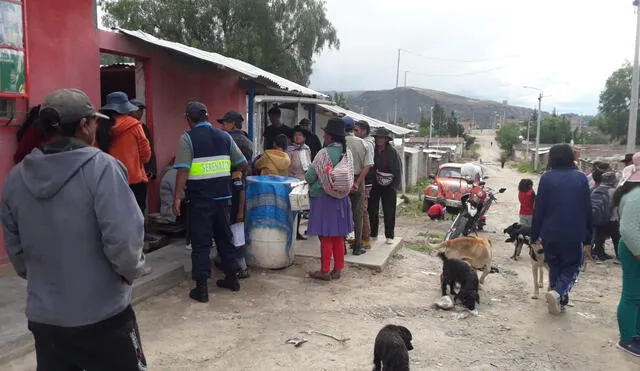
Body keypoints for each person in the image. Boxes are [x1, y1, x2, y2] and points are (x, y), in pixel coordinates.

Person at [0, 88, 147, 370]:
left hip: (46, 319)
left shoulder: (16, 178)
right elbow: (125, 241)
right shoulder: (102, 169)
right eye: (94, 121)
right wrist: (130, 272)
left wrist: (46, 281)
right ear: (83, 125)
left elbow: (17, 252)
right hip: (103, 315)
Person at [173, 102, 247, 302]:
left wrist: (177, 198)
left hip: (199, 201)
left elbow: (182, 170)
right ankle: (232, 278)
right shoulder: (224, 137)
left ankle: (202, 288)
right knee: (225, 238)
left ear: (189, 119)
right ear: (206, 117)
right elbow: (242, 163)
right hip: (224, 199)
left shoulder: (187, 138)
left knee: (201, 243)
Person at [531, 144, 592, 315]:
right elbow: (588, 209)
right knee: (573, 266)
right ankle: (557, 293)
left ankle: (559, 299)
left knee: (555, 265)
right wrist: (588, 237)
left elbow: (539, 209)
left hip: (549, 233)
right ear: (571, 157)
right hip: (574, 233)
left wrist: (534, 234)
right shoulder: (581, 178)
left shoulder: (546, 178)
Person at [305, 118, 354, 280]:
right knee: (338, 236)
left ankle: (324, 270)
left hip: (323, 199)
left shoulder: (323, 154)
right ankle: (338, 269)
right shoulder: (347, 153)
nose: (324, 136)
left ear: (330, 137)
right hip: (341, 200)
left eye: (325, 134)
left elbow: (310, 177)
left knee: (325, 236)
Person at [97, 92, 151, 218]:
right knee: (136, 213)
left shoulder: (99, 125)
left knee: (115, 214)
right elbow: (146, 153)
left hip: (109, 178)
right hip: (134, 178)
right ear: (125, 108)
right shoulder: (134, 125)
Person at [613, 167, 640, 356]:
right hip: (633, 251)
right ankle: (627, 340)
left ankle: (636, 334)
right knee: (632, 295)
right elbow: (628, 230)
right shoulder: (636, 197)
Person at [344, 116, 373, 255]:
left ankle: (340, 245)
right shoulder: (363, 143)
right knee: (358, 213)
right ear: (353, 128)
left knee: (341, 213)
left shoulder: (338, 143)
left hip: (341, 178)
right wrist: (357, 182)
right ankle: (357, 246)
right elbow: (367, 165)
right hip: (358, 179)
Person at [369, 128, 402, 245]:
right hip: (375, 184)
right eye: (378, 137)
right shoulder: (372, 150)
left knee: (389, 210)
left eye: (382, 138)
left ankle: (389, 235)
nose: (379, 140)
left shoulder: (392, 152)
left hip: (389, 185)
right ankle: (373, 233)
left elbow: (398, 170)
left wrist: (394, 186)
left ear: (386, 140)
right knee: (372, 209)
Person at [287, 125, 312, 240]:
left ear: (304, 137)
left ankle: (297, 232)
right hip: (292, 180)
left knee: (300, 208)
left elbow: (309, 163)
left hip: (304, 180)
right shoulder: (290, 150)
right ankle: (291, 231)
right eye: (295, 135)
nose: (297, 137)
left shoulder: (307, 149)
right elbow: (287, 166)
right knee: (292, 207)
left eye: (300, 135)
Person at [355, 120, 375, 249]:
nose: (354, 133)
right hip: (364, 180)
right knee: (361, 209)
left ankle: (366, 238)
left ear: (363, 131)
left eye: (356, 130)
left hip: (366, 180)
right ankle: (361, 237)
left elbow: (368, 164)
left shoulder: (367, 144)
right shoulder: (364, 142)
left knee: (363, 209)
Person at [592, 171, 620, 261]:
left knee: (600, 238)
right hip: (612, 219)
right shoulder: (614, 191)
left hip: (600, 218)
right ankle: (619, 256)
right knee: (616, 238)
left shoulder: (596, 189)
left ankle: (600, 254)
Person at [130, 99, 158, 181]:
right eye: (137, 109)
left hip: (141, 170)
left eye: (141, 110)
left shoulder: (143, 127)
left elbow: (150, 149)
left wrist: (151, 170)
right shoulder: (122, 126)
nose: (140, 112)